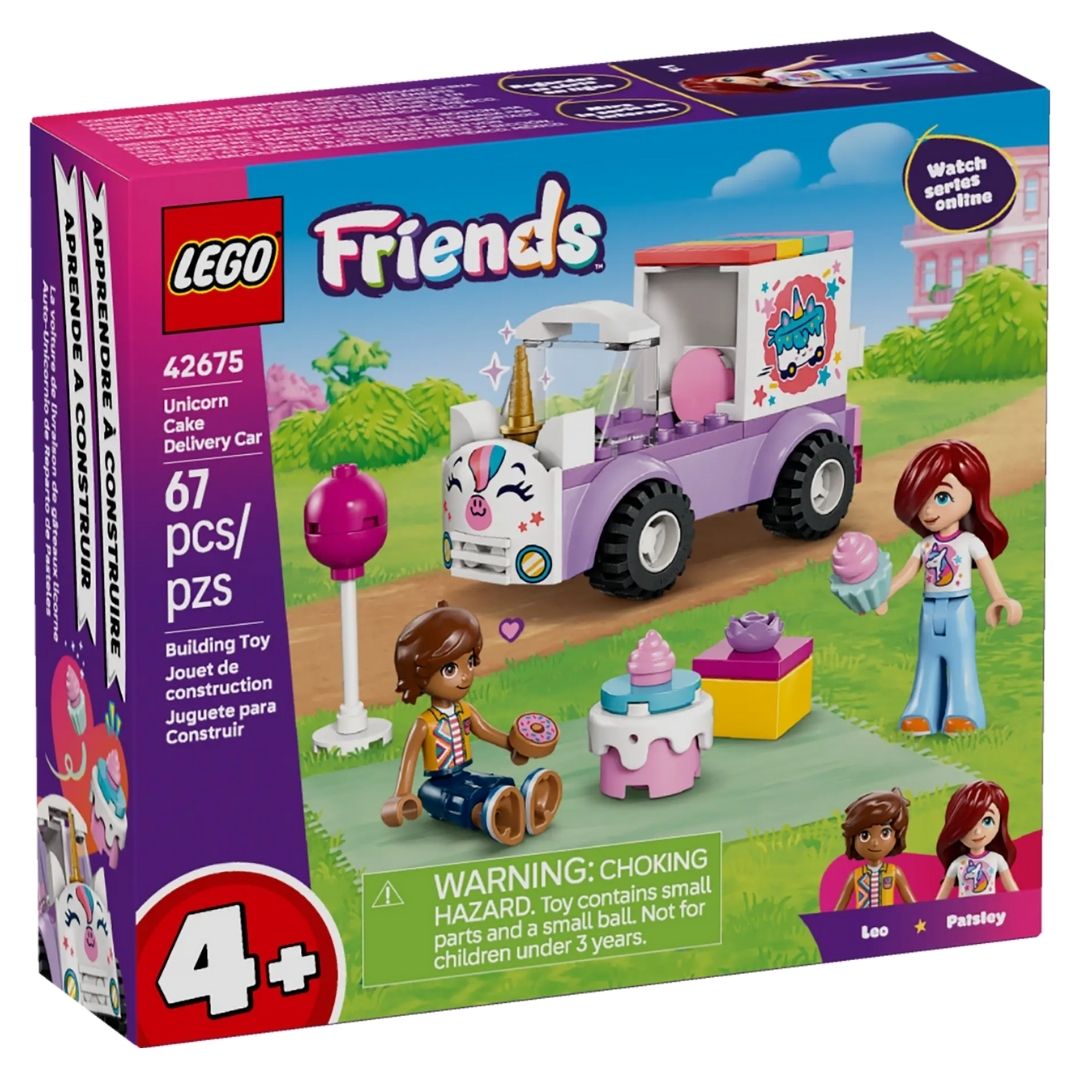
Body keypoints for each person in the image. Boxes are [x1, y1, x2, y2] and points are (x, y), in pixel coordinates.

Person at [381, 602, 562, 845]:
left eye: (470, 662)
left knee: (498, 784)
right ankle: (488, 819)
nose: (466, 674)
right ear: (420, 676)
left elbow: (487, 732)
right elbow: (410, 758)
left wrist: (514, 746)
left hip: (465, 773)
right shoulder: (425, 723)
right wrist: (402, 793)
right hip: (438, 783)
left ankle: (524, 804)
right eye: (450, 669)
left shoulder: (466, 711)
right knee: (462, 802)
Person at [878, 440, 1021, 735]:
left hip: (958, 609)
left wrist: (1001, 599)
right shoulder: (925, 545)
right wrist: (884, 594)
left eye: (942, 497)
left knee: (960, 660)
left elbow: (988, 573)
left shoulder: (970, 543)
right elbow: (907, 574)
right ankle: (922, 709)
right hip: (929, 610)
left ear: (972, 494)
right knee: (927, 661)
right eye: (922, 499)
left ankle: (964, 710)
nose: (929, 509)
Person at [680, 52, 974, 95]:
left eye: (727, 77)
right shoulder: (784, 87)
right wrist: (859, 88)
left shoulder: (773, 73)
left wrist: (807, 60)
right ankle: (942, 67)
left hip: (836, 70)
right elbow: (823, 88)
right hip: (844, 78)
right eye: (728, 82)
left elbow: (797, 67)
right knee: (895, 74)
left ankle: (927, 59)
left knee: (889, 63)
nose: (738, 79)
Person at [834, 788, 916, 910]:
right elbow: (838, 910)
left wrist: (922, 917)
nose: (875, 843)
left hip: (888, 920)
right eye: (865, 835)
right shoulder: (856, 876)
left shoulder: (894, 872)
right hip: (863, 922)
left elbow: (913, 905)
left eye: (885, 833)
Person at [935, 780, 1019, 898]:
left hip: (990, 908)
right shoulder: (957, 864)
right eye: (968, 824)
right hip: (964, 909)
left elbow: (1013, 891)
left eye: (987, 821)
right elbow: (941, 897)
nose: (978, 832)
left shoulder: (997, 859)